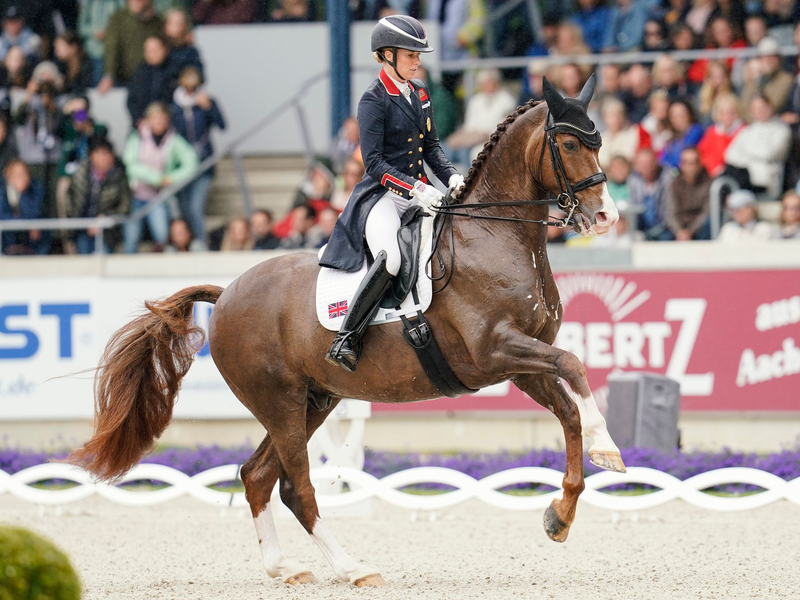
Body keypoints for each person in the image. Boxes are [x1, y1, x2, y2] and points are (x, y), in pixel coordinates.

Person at [319, 16, 464, 372]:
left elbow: (432, 149)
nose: (418, 61)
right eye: (411, 54)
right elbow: (374, 164)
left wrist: (454, 178)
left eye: (418, 55)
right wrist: (416, 188)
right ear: (386, 55)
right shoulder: (373, 100)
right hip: (383, 196)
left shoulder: (421, 94)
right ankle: (347, 338)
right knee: (392, 259)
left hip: (421, 192)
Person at [122, 102, 199, 253]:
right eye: (156, 119)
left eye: (163, 119)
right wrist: (157, 178)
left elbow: (192, 163)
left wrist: (171, 178)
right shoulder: (137, 137)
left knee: (162, 234)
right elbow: (130, 164)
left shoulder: (174, 140)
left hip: (158, 196)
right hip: (135, 194)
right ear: (148, 120)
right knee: (131, 236)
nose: (159, 123)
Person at [171, 65, 226, 241]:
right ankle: (187, 243)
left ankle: (201, 242)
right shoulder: (174, 106)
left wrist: (209, 107)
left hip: (204, 163)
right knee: (184, 208)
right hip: (182, 164)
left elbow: (222, 125)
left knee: (196, 207)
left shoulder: (206, 101)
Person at [65, 137, 131, 254]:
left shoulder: (120, 177)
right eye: (99, 154)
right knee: (85, 265)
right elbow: (69, 200)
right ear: (91, 156)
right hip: (82, 228)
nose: (103, 158)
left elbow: (125, 207)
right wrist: (75, 220)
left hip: (107, 231)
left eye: (106, 154)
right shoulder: (79, 175)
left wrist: (105, 218)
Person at [445, 68, 516, 165]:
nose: (485, 86)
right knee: (445, 148)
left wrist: (480, 136)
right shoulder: (475, 100)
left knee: (469, 153)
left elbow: (502, 127)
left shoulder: (506, 100)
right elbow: (469, 126)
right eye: (482, 83)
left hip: (492, 140)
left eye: (488, 83)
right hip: (472, 137)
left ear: (496, 83)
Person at [724, 95, 791, 199]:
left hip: (766, 183)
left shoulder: (782, 130)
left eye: (762, 107)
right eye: (755, 109)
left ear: (770, 107)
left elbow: (769, 154)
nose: (760, 111)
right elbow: (729, 155)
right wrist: (753, 159)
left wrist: (745, 150)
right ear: (751, 112)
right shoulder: (747, 131)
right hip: (744, 177)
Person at [98, 0, 164, 93]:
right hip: (124, 78)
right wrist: (109, 75)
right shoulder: (118, 18)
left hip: (151, 77)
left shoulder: (157, 21)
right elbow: (111, 48)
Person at [0, 159, 47, 255]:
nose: (20, 178)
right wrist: (22, 222)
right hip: (8, 240)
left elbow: (34, 214)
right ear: (7, 175)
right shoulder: (2, 191)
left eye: (23, 174)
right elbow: (2, 217)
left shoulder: (37, 188)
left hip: (32, 241)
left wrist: (23, 193)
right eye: (16, 174)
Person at [665, 147, 712, 240]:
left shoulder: (709, 184)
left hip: (699, 228)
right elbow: (671, 213)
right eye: (686, 163)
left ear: (700, 164)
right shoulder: (674, 184)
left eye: (693, 163)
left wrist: (690, 231)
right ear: (680, 164)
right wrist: (679, 232)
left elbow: (706, 213)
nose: (690, 167)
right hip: (679, 228)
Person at [126, 35, 175, 126]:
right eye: (148, 51)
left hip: (169, 123)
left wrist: (161, 119)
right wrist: (139, 120)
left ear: (164, 50)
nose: (152, 54)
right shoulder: (140, 72)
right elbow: (131, 101)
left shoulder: (174, 71)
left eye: (155, 50)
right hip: (142, 123)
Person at [741, 37, 793, 119]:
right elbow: (744, 105)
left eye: (772, 57)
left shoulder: (786, 78)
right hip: (754, 125)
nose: (768, 60)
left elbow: (772, 105)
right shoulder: (756, 77)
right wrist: (756, 78)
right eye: (765, 57)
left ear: (779, 59)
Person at [628, 148, 675, 240]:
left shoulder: (668, 178)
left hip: (666, 228)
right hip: (642, 228)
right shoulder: (633, 181)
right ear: (636, 166)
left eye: (649, 162)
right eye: (642, 163)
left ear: (656, 162)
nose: (646, 166)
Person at [78, 0, 126, 86]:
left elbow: (124, 24)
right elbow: (81, 28)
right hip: (93, 53)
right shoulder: (90, 3)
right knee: (95, 86)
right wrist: (94, 32)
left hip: (115, 52)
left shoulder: (119, 3)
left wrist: (109, 33)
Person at [696, 92, 744, 177]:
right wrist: (713, 168)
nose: (726, 116)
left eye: (730, 112)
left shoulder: (743, 131)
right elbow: (703, 153)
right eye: (722, 113)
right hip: (711, 173)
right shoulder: (712, 131)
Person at [598, 97, 652, 170]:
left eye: (619, 114)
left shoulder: (635, 132)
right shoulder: (600, 139)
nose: (616, 118)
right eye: (611, 115)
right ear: (604, 118)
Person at [658, 99, 704, 169]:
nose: (678, 119)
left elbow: (680, 158)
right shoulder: (672, 137)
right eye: (674, 116)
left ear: (689, 114)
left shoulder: (696, 131)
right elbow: (662, 160)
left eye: (682, 115)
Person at [191, 0, 258, 25]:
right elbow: (196, 17)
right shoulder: (211, 4)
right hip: (211, 40)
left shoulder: (244, 2)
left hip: (238, 40)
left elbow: (241, 20)